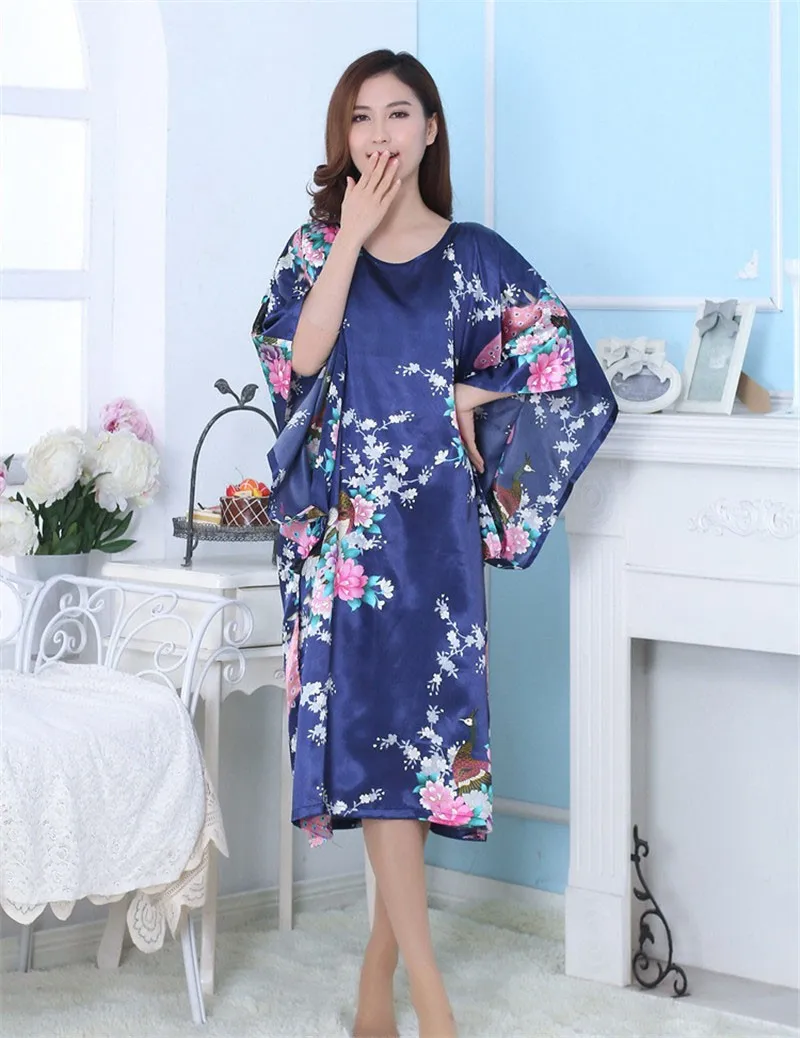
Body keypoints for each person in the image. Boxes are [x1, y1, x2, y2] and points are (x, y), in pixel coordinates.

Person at [252, 49, 616, 1038]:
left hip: (435, 545)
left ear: (431, 129)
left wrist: (470, 392)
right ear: (345, 135)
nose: (379, 134)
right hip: (345, 549)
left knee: (416, 755)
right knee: (376, 746)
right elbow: (298, 362)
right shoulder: (314, 246)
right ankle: (433, 1001)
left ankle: (379, 975)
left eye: (398, 113)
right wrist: (349, 238)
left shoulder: (477, 258)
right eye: (361, 117)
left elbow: (567, 378)